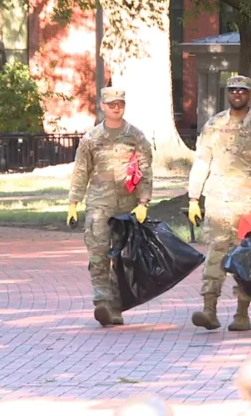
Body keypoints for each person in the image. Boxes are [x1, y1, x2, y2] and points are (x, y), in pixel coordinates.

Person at [187, 75, 251, 331]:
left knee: (247, 259)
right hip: (218, 202)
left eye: (242, 90)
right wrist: (194, 197)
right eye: (233, 90)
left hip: (248, 205)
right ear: (227, 93)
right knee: (215, 255)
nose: (237, 94)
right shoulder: (214, 125)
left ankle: (242, 314)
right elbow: (202, 161)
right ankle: (209, 310)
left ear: (249, 94)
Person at [67, 87, 153, 326]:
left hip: (127, 206)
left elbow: (145, 171)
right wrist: (73, 203)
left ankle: (116, 306)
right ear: (103, 106)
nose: (117, 108)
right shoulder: (91, 139)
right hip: (98, 205)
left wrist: (144, 202)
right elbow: (81, 171)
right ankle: (102, 303)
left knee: (124, 258)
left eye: (120, 104)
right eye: (112, 104)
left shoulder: (136, 137)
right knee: (98, 254)